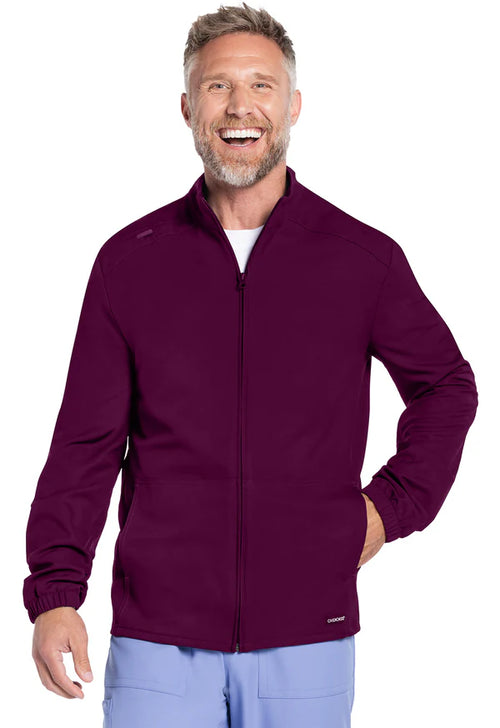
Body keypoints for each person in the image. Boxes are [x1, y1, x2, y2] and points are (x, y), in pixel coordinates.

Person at [23, 3, 478, 727]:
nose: (240, 106)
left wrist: (388, 510)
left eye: (262, 86)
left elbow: (445, 386)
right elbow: (86, 442)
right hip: (157, 637)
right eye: (217, 86)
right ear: (187, 108)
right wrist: (56, 592)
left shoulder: (362, 260)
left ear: (293, 105)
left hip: (308, 630)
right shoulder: (129, 264)